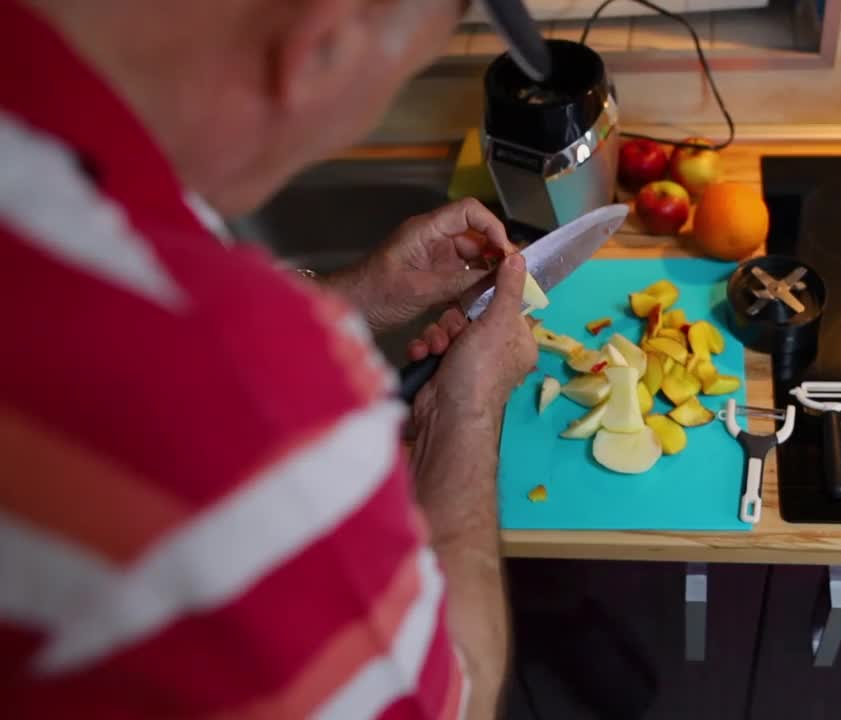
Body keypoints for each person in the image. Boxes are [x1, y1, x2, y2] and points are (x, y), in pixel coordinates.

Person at [0, 0, 551, 716]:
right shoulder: (252, 402)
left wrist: (356, 296)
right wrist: (467, 410)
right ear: (320, 48)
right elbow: (453, 700)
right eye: (401, 79)